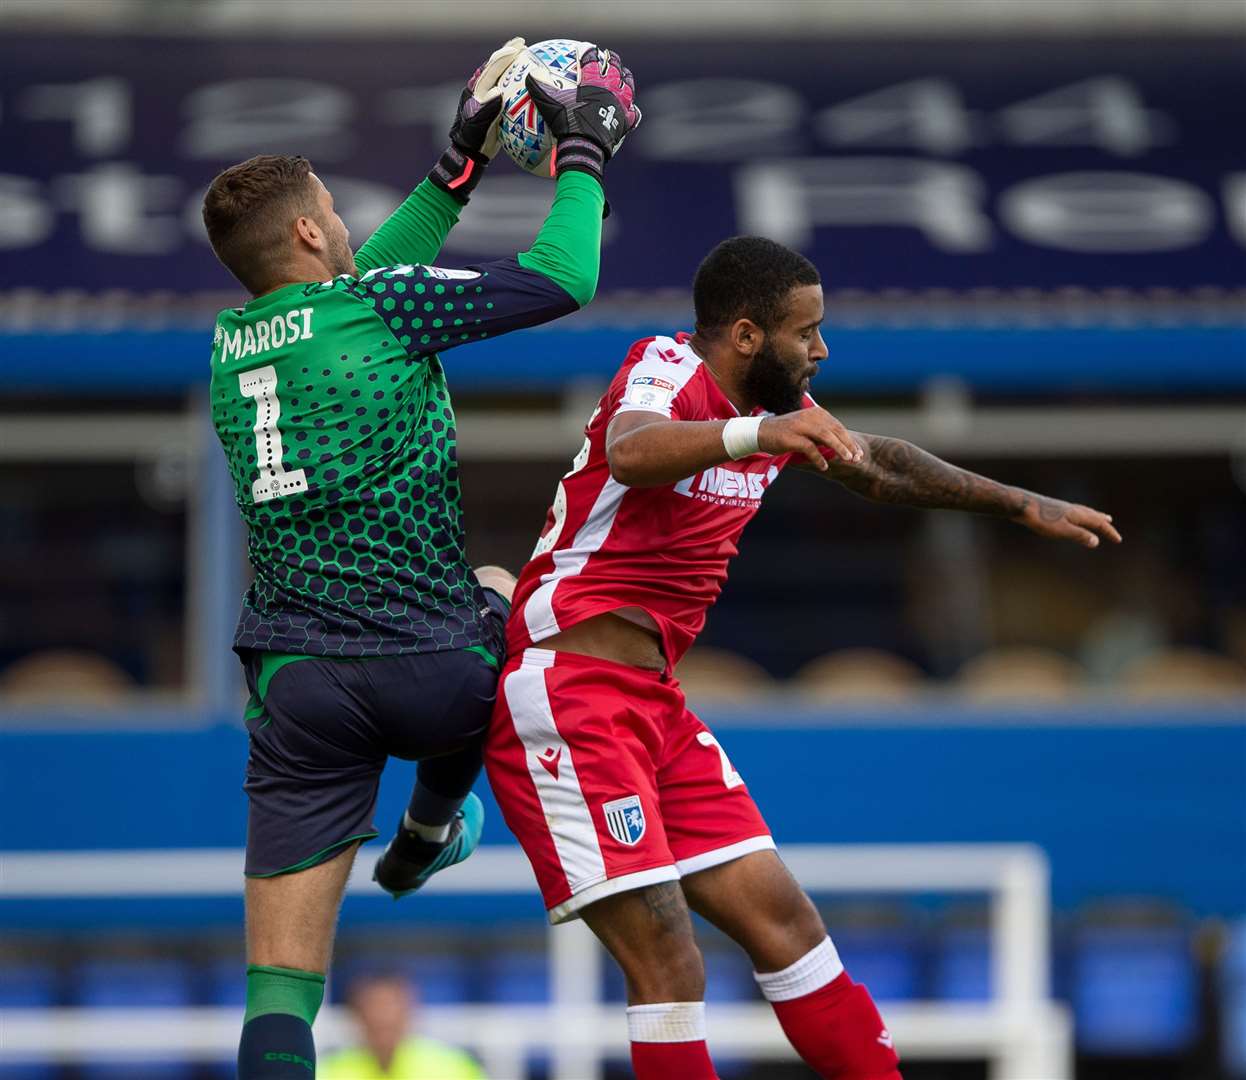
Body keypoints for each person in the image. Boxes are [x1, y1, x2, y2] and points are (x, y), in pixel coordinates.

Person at [484, 236, 1123, 1080]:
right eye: (806, 332)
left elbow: (881, 467)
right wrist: (760, 432)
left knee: (788, 925)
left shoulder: (769, 423)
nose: (821, 349)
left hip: (653, 706)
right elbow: (632, 450)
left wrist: (1020, 503)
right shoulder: (667, 366)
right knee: (670, 960)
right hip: (568, 692)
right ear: (746, 335)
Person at [200, 38, 640, 1079]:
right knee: (494, 595)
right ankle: (429, 828)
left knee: (280, 988)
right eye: (337, 214)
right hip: (432, 667)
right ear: (311, 230)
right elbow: (561, 278)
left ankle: (413, 847)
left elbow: (368, 270)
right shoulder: (383, 310)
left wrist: (460, 161)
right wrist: (581, 151)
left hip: (297, 689)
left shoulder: (232, 341)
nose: (353, 226)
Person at [320, 972, 486, 1080]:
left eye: (391, 1007)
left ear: (410, 1011)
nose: (382, 1017)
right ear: (356, 1016)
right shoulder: (328, 1072)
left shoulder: (454, 1068)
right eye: (374, 1007)